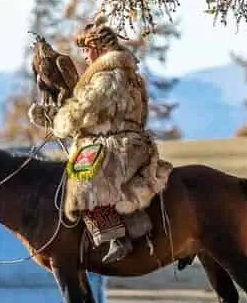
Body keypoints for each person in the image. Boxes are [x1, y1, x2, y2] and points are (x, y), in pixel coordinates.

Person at [29, 14, 173, 264]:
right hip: (122, 141)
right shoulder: (126, 73)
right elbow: (95, 115)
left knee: (82, 177)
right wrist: (53, 115)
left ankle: (115, 236)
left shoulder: (108, 77)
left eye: (86, 50)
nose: (84, 56)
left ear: (100, 48)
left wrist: (57, 122)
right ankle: (132, 221)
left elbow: (82, 110)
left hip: (117, 145)